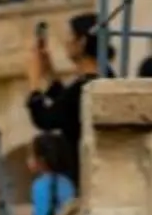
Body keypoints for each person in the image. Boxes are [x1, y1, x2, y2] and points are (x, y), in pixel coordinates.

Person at [25, 12, 101, 182]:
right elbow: (67, 106)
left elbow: (45, 119)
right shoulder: (100, 78)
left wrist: (34, 82)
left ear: (81, 42)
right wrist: (48, 71)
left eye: (70, 37)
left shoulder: (84, 86)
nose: (66, 43)